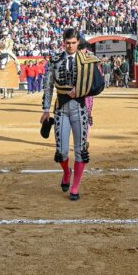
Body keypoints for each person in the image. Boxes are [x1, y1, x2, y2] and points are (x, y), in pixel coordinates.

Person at [40, 27, 103, 201]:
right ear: (63, 43)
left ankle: (75, 187)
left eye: (73, 43)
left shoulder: (87, 60)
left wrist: (83, 89)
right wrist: (46, 110)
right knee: (61, 151)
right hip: (61, 109)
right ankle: (67, 172)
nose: (70, 46)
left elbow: (98, 84)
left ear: (78, 42)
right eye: (67, 43)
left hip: (80, 108)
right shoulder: (55, 60)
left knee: (81, 150)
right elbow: (48, 86)